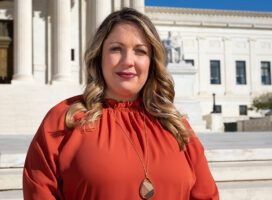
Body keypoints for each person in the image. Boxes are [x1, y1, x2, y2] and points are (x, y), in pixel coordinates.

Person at [23, 8, 219, 200]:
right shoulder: (63, 120)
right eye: (116, 49)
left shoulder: (176, 127)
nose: (128, 61)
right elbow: (40, 192)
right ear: (99, 57)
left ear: (152, 61)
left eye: (140, 51)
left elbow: (206, 195)